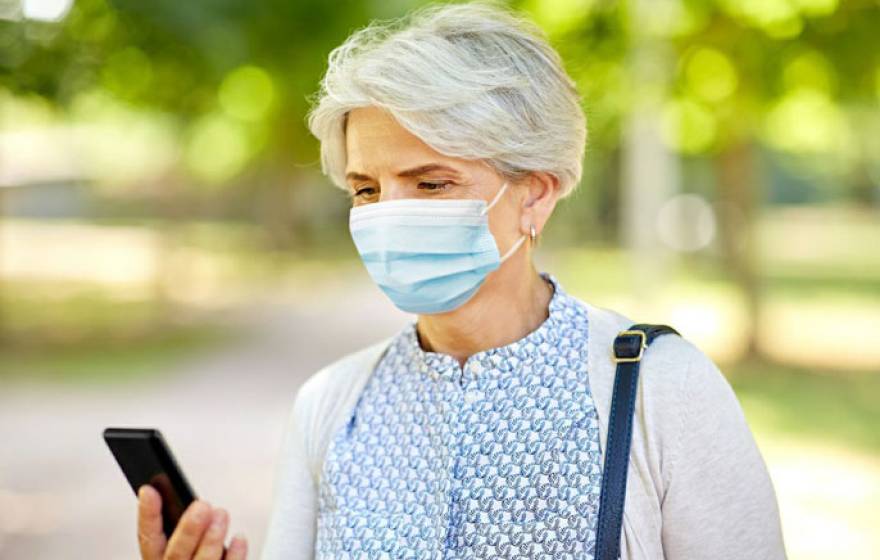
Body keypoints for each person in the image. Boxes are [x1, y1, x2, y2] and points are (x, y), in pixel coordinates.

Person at [137, 2, 786, 559]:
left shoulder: (660, 389)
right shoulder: (331, 406)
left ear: (536, 194)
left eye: (431, 183)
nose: (389, 214)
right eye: (366, 188)